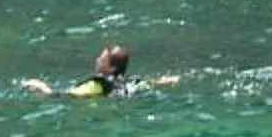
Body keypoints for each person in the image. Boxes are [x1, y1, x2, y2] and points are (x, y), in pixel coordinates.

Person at [21, 43, 178, 98]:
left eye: (101, 59)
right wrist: (165, 81)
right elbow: (151, 83)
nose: (97, 60)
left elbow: (62, 96)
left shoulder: (96, 85)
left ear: (111, 68)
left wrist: (42, 87)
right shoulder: (131, 81)